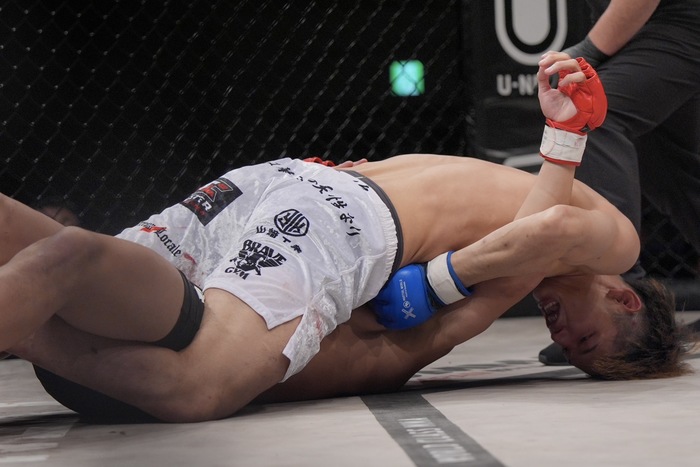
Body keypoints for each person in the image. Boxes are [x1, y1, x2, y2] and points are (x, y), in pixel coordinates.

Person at [1, 55, 688, 423]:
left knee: (85, 280)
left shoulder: (519, 272)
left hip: (277, 184)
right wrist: (438, 282)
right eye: (585, 341)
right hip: (344, 218)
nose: (562, 339)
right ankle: (29, 333)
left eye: (568, 355)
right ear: (625, 299)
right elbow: (548, 226)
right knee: (198, 388)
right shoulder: (615, 245)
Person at [539, 0, 700, 365]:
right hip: (660, 24)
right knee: (667, 166)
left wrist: (591, 50)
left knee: (593, 117)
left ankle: (622, 304)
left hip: (675, 21)